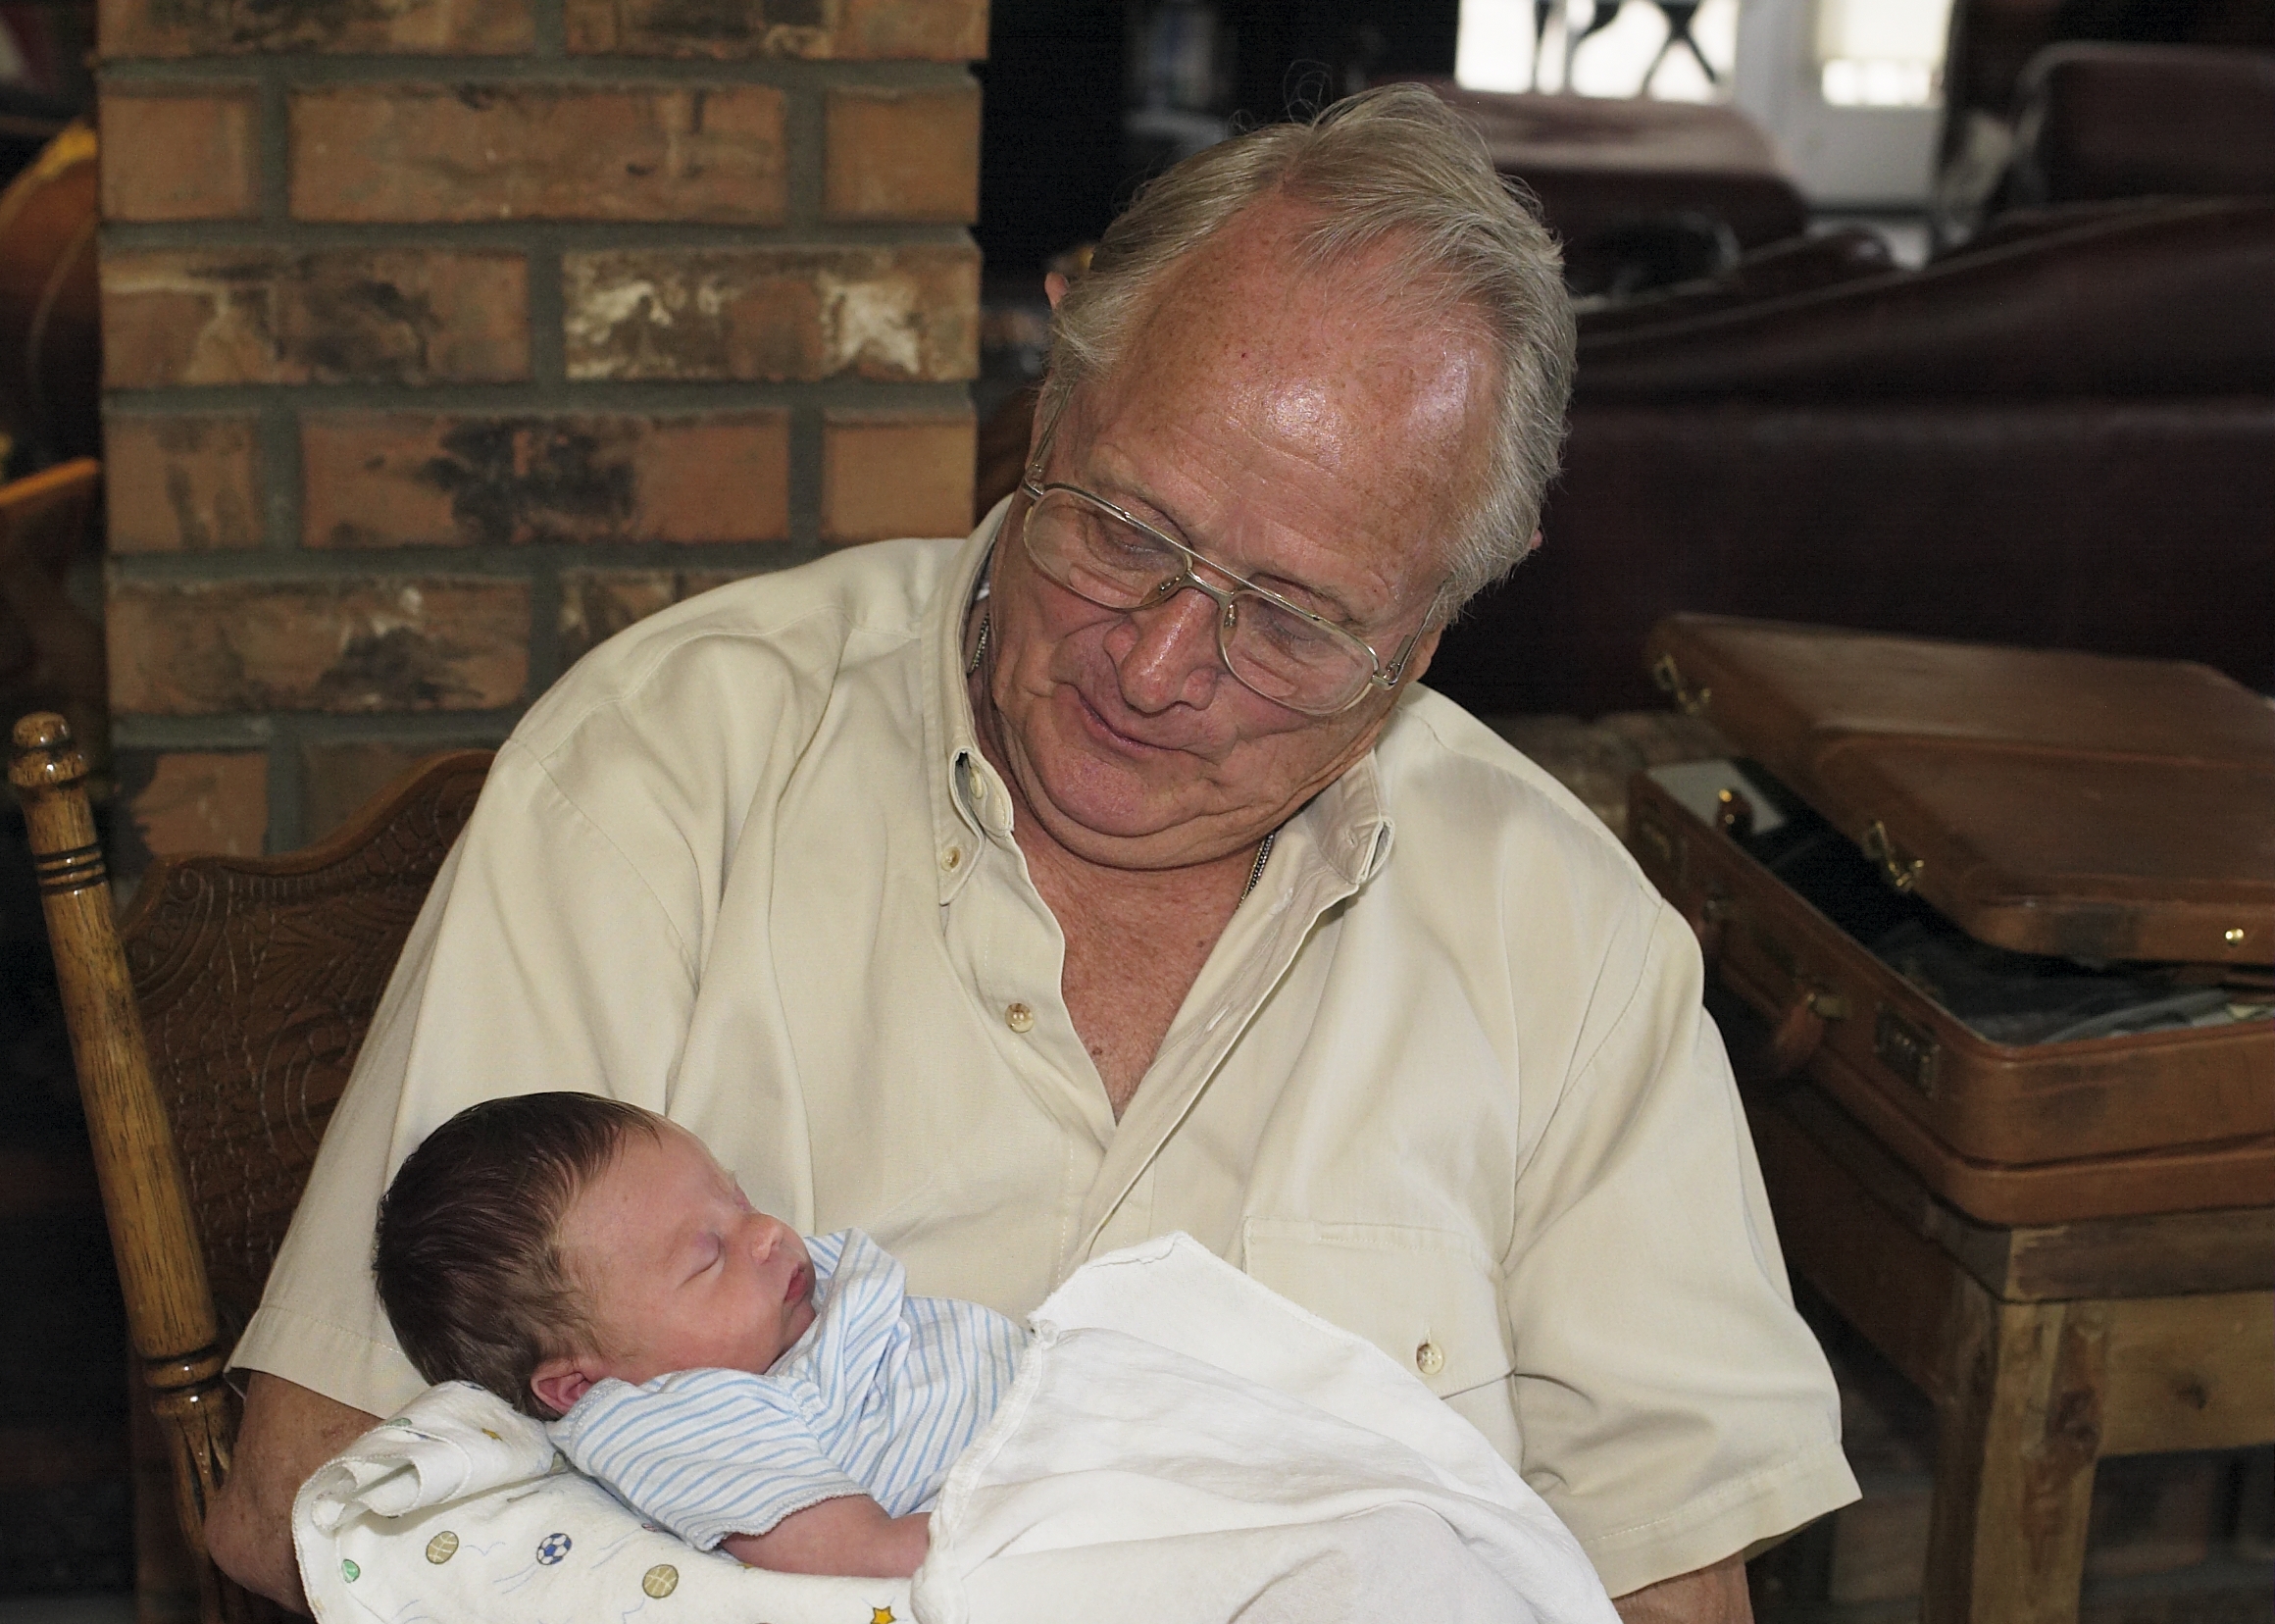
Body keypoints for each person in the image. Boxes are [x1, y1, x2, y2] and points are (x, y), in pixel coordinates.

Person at [207, 82, 1859, 1622]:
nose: (1153, 667)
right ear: (1053, 391)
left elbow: (1667, 1587)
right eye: (1124, 532)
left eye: (1292, 620)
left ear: (1429, 629)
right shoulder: (667, 768)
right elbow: (315, 1494)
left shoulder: (1565, 939)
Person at [372, 1092, 1026, 1578]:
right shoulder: (671, 1421)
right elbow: (867, 1553)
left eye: (738, 1200)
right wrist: (1044, 1521)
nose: (766, 1232)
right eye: (708, 1257)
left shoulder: (790, 1305)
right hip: (1011, 1522)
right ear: (583, 1386)